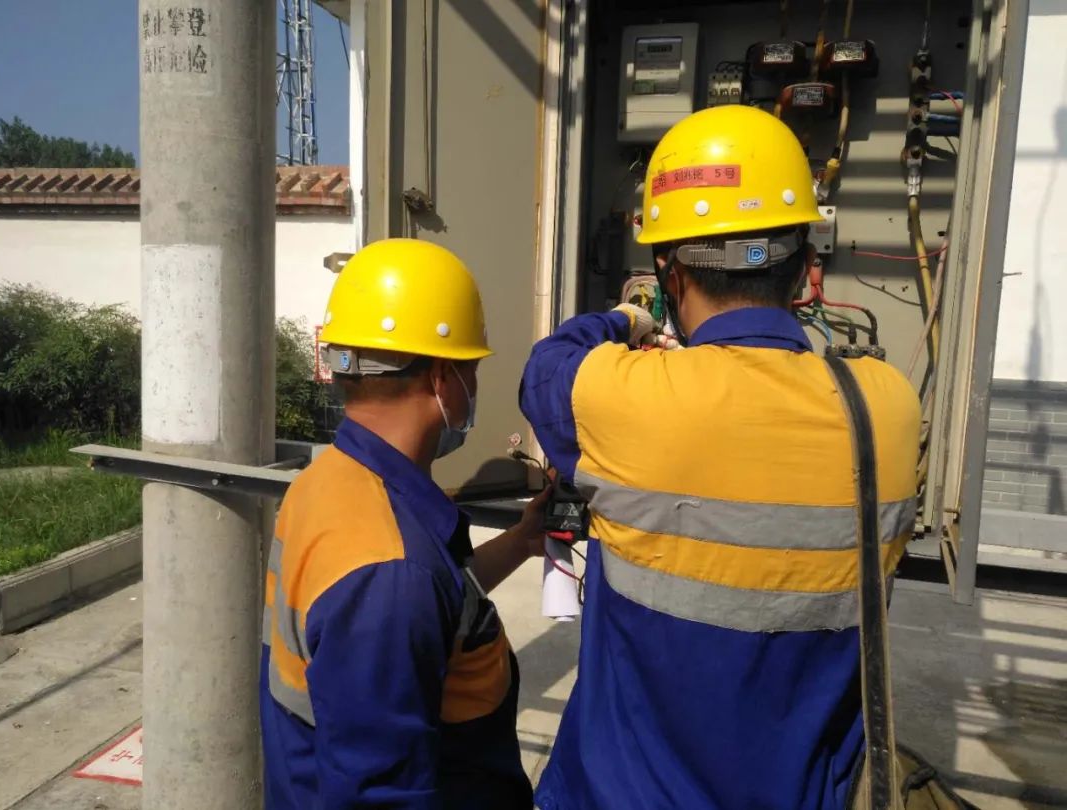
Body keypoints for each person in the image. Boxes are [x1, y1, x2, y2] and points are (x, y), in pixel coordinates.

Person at [520, 105, 920, 810]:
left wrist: (627, 318)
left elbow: (545, 367)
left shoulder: (626, 396)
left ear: (670, 274)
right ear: (805, 265)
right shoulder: (885, 405)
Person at [261, 238, 546, 809]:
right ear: (443, 378)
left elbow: (443, 602)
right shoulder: (391, 572)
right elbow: (382, 794)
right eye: (470, 369)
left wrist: (522, 540)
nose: (473, 387)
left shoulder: (329, 480)